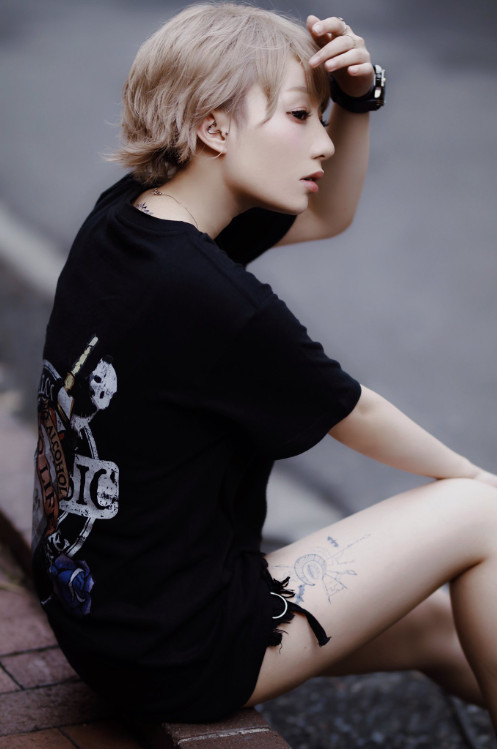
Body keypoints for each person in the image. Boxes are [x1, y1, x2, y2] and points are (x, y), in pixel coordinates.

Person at [32, 2, 497, 734]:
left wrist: (356, 102)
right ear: (215, 128)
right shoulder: (212, 298)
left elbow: (326, 215)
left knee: (440, 627)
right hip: (180, 647)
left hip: (106, 618)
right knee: (481, 515)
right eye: (299, 116)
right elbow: (357, 413)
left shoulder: (127, 221)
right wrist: (478, 483)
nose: (322, 141)